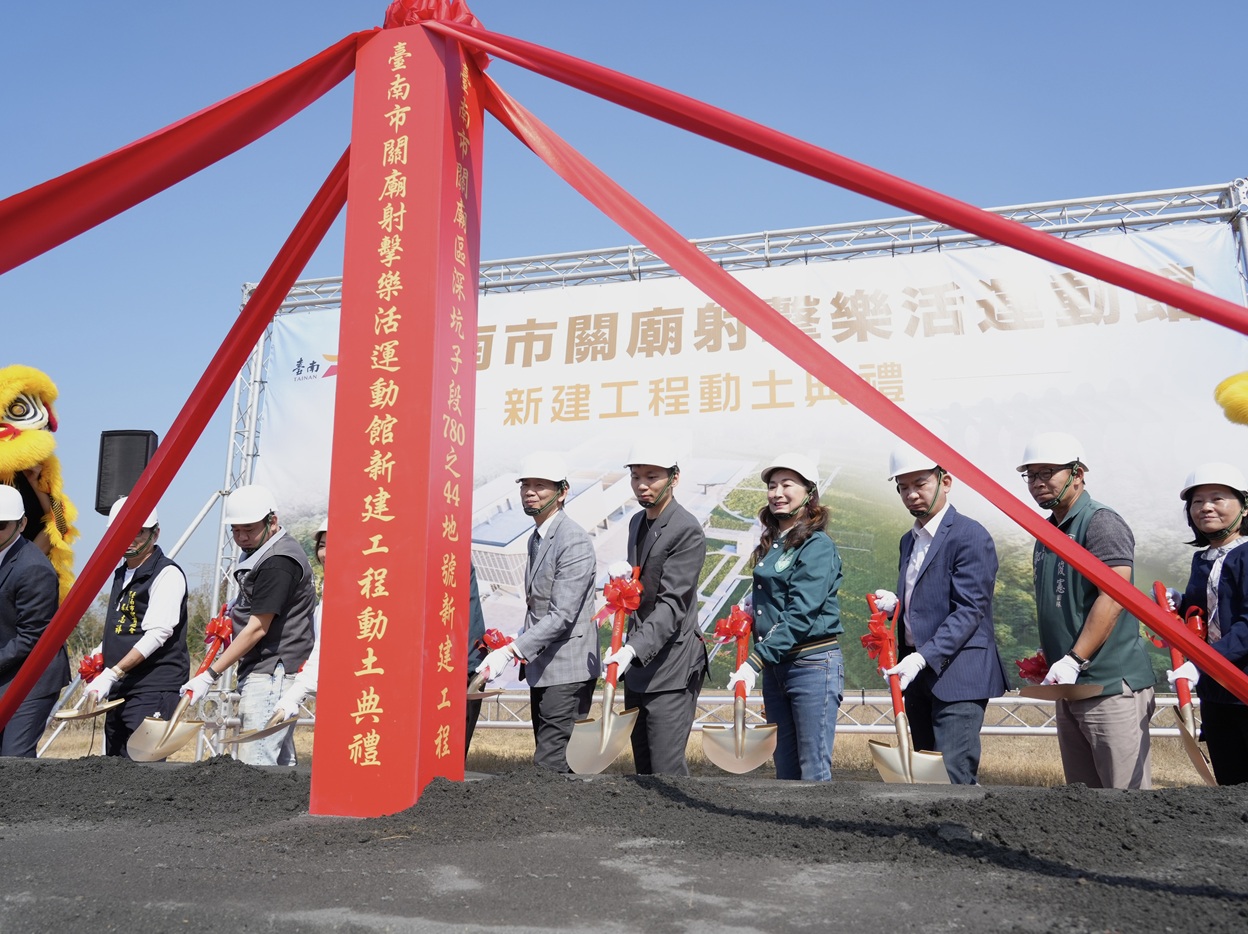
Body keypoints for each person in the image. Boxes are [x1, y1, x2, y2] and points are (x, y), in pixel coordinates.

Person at [1019, 431, 1155, 789]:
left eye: (1048, 472)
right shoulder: (1049, 531)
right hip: (1071, 683)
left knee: (1126, 800)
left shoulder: (1100, 522)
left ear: (1078, 474)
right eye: (1031, 475)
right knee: (1085, 805)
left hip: (1108, 685)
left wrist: (1074, 658)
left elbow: (1113, 596)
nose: (1037, 483)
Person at [872, 443, 1008, 784]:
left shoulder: (969, 536)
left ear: (945, 481)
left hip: (958, 674)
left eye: (920, 484)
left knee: (953, 774)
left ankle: (964, 837)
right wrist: (898, 604)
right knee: (925, 774)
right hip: (919, 676)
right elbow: (928, 598)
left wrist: (922, 658)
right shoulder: (910, 540)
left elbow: (969, 610)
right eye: (903, 487)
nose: (911, 495)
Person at [476, 453, 598, 772]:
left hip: (568, 671)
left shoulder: (572, 540)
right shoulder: (537, 537)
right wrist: (516, 640)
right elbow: (540, 607)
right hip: (543, 669)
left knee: (552, 762)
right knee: (553, 760)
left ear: (562, 491)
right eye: (525, 485)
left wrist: (511, 651)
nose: (530, 492)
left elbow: (562, 615)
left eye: (540, 486)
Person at [182, 484, 315, 766]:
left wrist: (210, 675)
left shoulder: (278, 561)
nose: (242, 537)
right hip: (264, 667)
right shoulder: (260, 549)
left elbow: (257, 627)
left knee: (257, 759)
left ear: (272, 521)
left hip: (272, 672)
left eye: (249, 529)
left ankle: (264, 812)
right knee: (277, 759)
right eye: (236, 531)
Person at [728, 453, 843, 781]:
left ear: (809, 492)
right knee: (786, 773)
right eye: (772, 485)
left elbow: (800, 614)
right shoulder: (774, 543)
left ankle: (820, 832)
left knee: (813, 771)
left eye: (787, 484)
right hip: (778, 669)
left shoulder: (817, 546)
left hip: (811, 667)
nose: (776, 492)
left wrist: (753, 663)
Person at [601, 442, 708, 775]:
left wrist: (632, 649)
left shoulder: (686, 530)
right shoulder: (637, 523)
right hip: (639, 664)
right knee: (644, 766)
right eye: (635, 477)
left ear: (674, 478)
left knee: (666, 768)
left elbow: (672, 604)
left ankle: (685, 827)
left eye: (652, 477)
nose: (642, 485)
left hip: (673, 665)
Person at [85, 497, 189, 757]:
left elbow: (158, 633)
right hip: (123, 687)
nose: (130, 538)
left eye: (138, 532)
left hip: (152, 688)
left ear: (155, 533)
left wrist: (113, 672)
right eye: (123, 531)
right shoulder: (122, 573)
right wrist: (101, 654)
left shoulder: (166, 574)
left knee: (145, 771)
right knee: (115, 768)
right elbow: (126, 625)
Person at [1168, 462, 1248, 784]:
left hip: (1243, 687)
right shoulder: (1202, 559)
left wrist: (1203, 663)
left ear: (1244, 505)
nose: (1206, 508)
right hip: (1216, 693)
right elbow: (1209, 614)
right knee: (1230, 784)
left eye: (1217, 498)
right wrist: (1180, 603)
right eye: (1197, 502)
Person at [0, 483, 70, 756]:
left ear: (22, 524)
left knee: (13, 760)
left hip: (33, 676)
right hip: (7, 667)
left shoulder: (33, 569)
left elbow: (32, 637)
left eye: (1, 524)